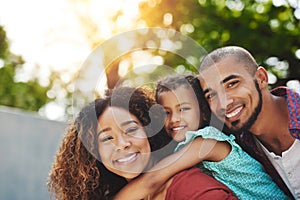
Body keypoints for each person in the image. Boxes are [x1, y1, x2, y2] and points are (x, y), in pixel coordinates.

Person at [113, 74, 288, 200]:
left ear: (203, 113)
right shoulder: (184, 146)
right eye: (167, 112)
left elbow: (152, 179)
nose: (174, 119)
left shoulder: (206, 141)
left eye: (184, 109)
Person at [48, 86, 237, 200]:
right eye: (107, 138)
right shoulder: (127, 193)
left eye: (131, 130)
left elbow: (152, 180)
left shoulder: (189, 189)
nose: (122, 144)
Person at [198, 46, 300, 199]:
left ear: (261, 78)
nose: (224, 103)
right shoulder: (240, 149)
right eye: (211, 95)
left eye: (232, 84)